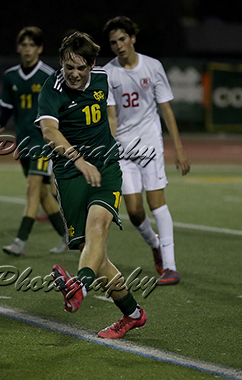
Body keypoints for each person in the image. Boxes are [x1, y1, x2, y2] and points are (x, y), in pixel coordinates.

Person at [36, 31, 146, 339]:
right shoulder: (51, 89)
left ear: (92, 65)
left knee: (98, 227)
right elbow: (49, 131)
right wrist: (79, 160)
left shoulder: (104, 78)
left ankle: (79, 286)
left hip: (106, 168)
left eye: (80, 68)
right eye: (68, 66)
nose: (73, 73)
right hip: (70, 175)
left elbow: (121, 107)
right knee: (94, 254)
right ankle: (133, 314)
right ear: (61, 62)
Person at [102, 16, 190, 286]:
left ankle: (171, 267)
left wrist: (178, 149)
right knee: (134, 212)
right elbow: (111, 117)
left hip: (150, 145)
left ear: (133, 38)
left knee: (156, 202)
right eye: (113, 42)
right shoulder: (108, 73)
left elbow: (166, 110)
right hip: (123, 149)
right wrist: (108, 151)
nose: (119, 45)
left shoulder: (153, 67)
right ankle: (155, 244)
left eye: (122, 39)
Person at [0, 26, 68, 256]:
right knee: (43, 195)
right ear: (18, 47)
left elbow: (62, 106)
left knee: (32, 189)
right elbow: (8, 106)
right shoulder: (11, 76)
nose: (27, 49)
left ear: (40, 48)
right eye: (24, 45)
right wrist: (0, 123)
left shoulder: (48, 75)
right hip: (23, 141)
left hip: (43, 142)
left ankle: (20, 242)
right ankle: (69, 236)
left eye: (32, 45)